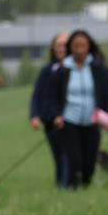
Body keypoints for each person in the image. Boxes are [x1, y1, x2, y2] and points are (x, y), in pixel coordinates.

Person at [47, 30, 108, 188]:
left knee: (90, 161)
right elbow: (51, 96)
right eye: (76, 46)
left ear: (89, 47)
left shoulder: (98, 68)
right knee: (74, 159)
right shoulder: (61, 70)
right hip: (69, 121)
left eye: (83, 46)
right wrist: (56, 115)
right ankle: (74, 188)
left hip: (93, 121)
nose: (79, 49)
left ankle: (85, 186)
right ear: (70, 48)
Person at [30, 31, 70, 188]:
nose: (61, 48)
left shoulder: (74, 70)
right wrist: (34, 115)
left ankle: (66, 187)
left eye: (65, 45)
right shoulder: (47, 70)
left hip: (67, 122)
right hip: (49, 122)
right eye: (58, 45)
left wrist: (63, 115)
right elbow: (37, 94)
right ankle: (59, 184)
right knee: (57, 155)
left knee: (67, 154)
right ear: (53, 48)